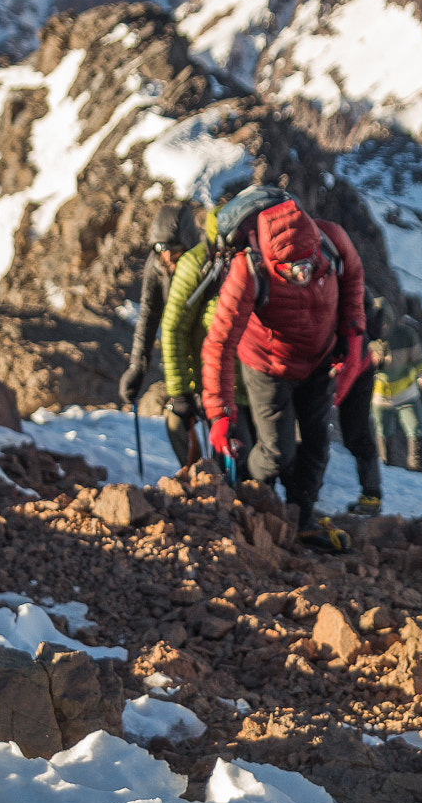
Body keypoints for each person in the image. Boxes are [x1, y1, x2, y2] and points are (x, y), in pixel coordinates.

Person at [200, 192, 365, 548]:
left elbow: (352, 278)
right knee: (277, 452)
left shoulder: (331, 239)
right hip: (267, 367)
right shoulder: (248, 269)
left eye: (308, 264)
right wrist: (220, 414)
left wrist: (352, 337)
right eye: (291, 269)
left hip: (319, 363)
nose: (302, 274)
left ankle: (301, 518)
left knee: (317, 446)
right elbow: (219, 343)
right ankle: (253, 496)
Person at [159, 205, 254, 468]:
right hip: (214, 384)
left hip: (251, 383)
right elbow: (172, 327)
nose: (167, 258)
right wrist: (180, 392)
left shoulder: (258, 261)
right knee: (234, 461)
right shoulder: (199, 264)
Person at [119, 204, 193, 415]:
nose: (168, 258)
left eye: (176, 250)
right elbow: (148, 315)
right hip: (178, 360)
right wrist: (136, 367)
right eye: (162, 249)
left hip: (205, 359)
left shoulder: (203, 262)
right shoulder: (156, 265)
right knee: (177, 422)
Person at [337, 293, 389, 515]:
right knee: (357, 431)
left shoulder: (344, 279)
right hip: (355, 363)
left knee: (356, 432)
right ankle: (371, 494)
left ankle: (371, 494)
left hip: (356, 365)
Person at [370, 300, 422, 472]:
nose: (381, 327)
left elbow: (418, 360)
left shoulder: (406, 335)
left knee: (416, 430)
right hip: (379, 396)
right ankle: (386, 467)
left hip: (406, 392)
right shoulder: (369, 337)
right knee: (383, 432)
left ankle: (416, 468)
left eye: (384, 322)